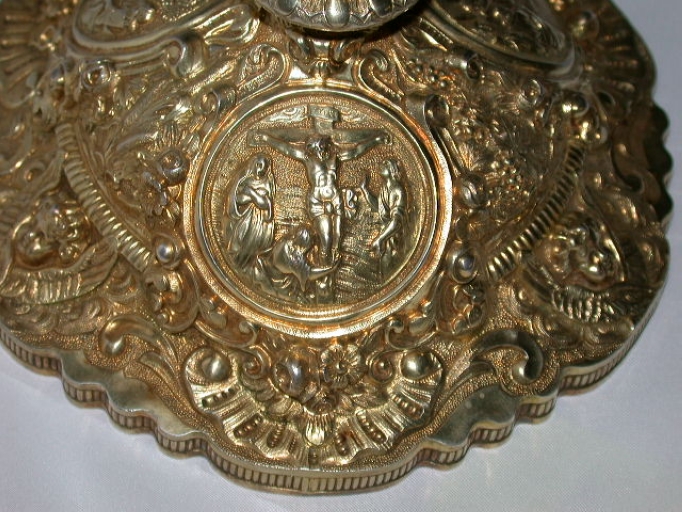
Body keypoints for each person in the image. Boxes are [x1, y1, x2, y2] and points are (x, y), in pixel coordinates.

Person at [253, 129, 389, 300]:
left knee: (337, 238)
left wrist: (375, 140)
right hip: (317, 202)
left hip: (335, 200)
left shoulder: (335, 157)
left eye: (324, 144)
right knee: (326, 239)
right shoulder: (307, 158)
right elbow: (287, 149)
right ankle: (323, 278)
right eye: (319, 144)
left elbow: (355, 151)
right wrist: (266, 137)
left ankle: (330, 273)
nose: (322, 146)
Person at [225, 154, 275, 271]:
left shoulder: (266, 183)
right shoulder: (246, 181)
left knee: (253, 243)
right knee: (241, 237)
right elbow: (239, 199)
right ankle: (238, 263)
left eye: (263, 167)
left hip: (260, 222)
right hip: (246, 217)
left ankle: (248, 264)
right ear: (254, 165)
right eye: (258, 165)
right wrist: (256, 198)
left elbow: (266, 203)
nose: (260, 169)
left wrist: (252, 193)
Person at [361, 159, 407, 272]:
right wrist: (365, 189)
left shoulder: (397, 190)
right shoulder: (385, 188)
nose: (381, 165)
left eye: (386, 164)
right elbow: (379, 208)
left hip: (392, 237)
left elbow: (397, 221)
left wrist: (380, 239)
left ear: (392, 170)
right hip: (385, 235)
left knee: (390, 269)